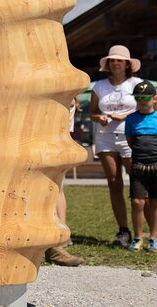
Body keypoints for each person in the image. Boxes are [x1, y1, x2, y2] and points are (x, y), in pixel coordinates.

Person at [89, 45, 143, 247]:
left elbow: (146, 108)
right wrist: (99, 118)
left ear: (127, 64)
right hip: (105, 137)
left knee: (138, 184)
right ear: (108, 64)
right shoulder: (99, 86)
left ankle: (147, 229)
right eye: (112, 60)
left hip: (131, 137)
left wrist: (126, 115)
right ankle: (123, 230)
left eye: (119, 60)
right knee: (114, 183)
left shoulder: (137, 84)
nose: (115, 63)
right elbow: (92, 113)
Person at [124, 81, 157, 253]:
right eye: (138, 98)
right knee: (137, 202)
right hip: (138, 166)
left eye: (145, 97)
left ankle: (153, 238)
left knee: (155, 202)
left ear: (154, 99)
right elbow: (131, 142)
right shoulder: (131, 119)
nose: (142, 101)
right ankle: (137, 237)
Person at [45, 98, 85, 267]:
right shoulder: (65, 96)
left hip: (54, 144)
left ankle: (58, 240)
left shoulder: (64, 97)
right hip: (53, 144)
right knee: (54, 190)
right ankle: (58, 239)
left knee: (54, 189)